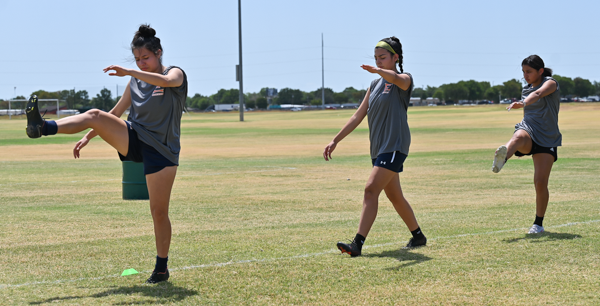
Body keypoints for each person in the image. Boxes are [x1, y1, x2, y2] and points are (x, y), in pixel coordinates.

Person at [25, 24, 187, 283]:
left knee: (158, 211)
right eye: (137, 59)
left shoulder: (174, 73)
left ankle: (161, 268)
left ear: (158, 52)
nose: (141, 63)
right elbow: (115, 113)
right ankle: (43, 127)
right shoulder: (135, 80)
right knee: (95, 115)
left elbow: (167, 82)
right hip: (134, 136)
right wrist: (89, 135)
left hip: (162, 150)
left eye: (145, 58)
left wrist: (131, 71)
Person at [323, 37, 427, 257]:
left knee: (370, 190)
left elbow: (397, 79)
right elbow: (357, 116)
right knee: (394, 196)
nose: (379, 62)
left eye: (383, 57)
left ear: (395, 58)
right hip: (379, 148)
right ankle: (418, 236)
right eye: (376, 58)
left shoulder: (404, 79)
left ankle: (357, 244)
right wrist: (335, 140)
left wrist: (378, 71)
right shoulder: (374, 85)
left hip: (395, 145)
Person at [492, 54, 560, 234]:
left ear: (540, 71)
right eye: (523, 72)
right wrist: (523, 101)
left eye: (529, 71)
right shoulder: (526, 88)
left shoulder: (551, 83)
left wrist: (522, 103)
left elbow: (538, 94)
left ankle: (538, 224)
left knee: (540, 182)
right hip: (529, 130)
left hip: (547, 137)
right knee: (517, 138)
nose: (525, 75)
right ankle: (503, 157)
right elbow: (531, 92)